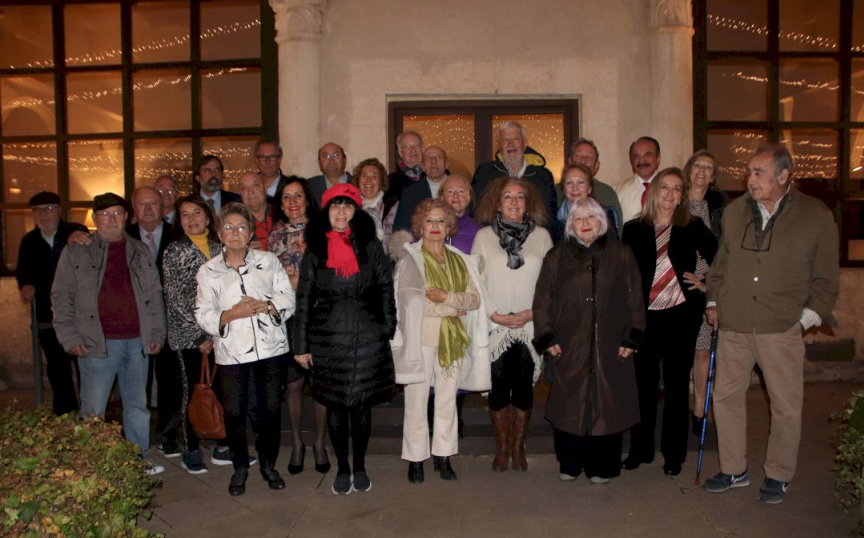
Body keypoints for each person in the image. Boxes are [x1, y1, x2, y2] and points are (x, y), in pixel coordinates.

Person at [703, 144, 839, 505]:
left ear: (783, 175)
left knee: (785, 405)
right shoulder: (735, 212)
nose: (750, 179)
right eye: (749, 172)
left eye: (758, 172)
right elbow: (720, 266)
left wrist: (803, 320)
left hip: (780, 328)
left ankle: (778, 474)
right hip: (734, 325)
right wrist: (714, 301)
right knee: (725, 398)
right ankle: (733, 469)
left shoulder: (815, 215)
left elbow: (826, 279)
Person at [51, 192, 166, 475]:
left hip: (137, 342)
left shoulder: (140, 250)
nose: (111, 219)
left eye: (117, 213)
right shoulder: (77, 250)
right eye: (104, 214)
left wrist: (156, 333)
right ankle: (92, 467)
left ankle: (137, 460)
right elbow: (61, 296)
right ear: (94, 218)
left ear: (126, 217)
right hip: (96, 344)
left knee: (137, 407)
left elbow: (154, 294)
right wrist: (70, 338)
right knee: (94, 410)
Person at [292, 183, 396, 495]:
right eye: (335, 205)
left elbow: (385, 287)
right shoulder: (315, 251)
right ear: (325, 211)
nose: (341, 212)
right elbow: (303, 299)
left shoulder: (371, 245)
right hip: (329, 338)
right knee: (336, 406)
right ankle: (342, 468)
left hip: (367, 337)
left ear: (356, 211)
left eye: (347, 205)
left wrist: (387, 327)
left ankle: (360, 466)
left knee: (361, 407)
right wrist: (301, 346)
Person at [533, 197, 645, 483]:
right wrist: (547, 336)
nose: (585, 223)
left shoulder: (621, 253)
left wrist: (631, 336)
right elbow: (543, 300)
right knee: (570, 404)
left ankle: (602, 466)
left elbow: (634, 297)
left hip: (611, 343)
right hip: (570, 343)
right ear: (570, 224)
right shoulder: (556, 256)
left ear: (602, 221)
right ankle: (570, 463)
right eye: (578, 218)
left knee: (607, 406)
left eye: (591, 217)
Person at [621, 167, 717, 476]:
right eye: (665, 186)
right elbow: (624, 275)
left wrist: (706, 284)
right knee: (642, 387)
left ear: (682, 196)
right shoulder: (633, 229)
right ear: (654, 191)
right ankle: (641, 449)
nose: (670, 193)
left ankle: (674, 455)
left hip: (681, 317)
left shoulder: (692, 225)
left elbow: (722, 258)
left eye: (677, 188)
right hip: (644, 318)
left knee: (676, 389)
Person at [195, 203, 295, 496]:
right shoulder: (208, 271)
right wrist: (231, 314)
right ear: (219, 234)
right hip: (231, 353)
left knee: (270, 411)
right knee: (234, 413)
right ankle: (240, 467)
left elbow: (287, 296)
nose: (235, 232)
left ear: (251, 232)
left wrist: (267, 306)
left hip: (270, 350)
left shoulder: (268, 260)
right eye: (228, 227)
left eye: (241, 227)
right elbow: (202, 313)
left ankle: (268, 464)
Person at [391, 199, 490, 483]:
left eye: (440, 221)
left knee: (447, 401)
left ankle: (443, 456)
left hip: (452, 339)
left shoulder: (460, 259)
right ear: (420, 226)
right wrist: (452, 308)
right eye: (429, 220)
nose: (435, 226)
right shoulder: (410, 260)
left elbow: (474, 299)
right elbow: (411, 304)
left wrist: (446, 297)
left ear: (449, 227)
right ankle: (415, 459)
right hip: (420, 339)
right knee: (416, 401)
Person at [471, 176, 553, 472]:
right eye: (508, 196)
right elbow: (476, 281)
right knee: (497, 389)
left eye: (520, 196)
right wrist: (494, 314)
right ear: (497, 203)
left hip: (529, 325)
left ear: (528, 204)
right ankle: (502, 448)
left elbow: (551, 283)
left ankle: (518, 448)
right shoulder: (483, 237)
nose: (514, 202)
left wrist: (533, 313)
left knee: (523, 389)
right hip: (495, 326)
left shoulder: (542, 236)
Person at [162, 195, 239, 474]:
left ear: (208, 217)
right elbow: (176, 299)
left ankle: (223, 447)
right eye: (184, 214)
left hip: (222, 333)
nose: (191, 219)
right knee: (193, 394)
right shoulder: (174, 251)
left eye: (197, 212)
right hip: (190, 338)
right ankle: (191, 449)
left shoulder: (222, 247)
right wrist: (200, 337)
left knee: (221, 392)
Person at [267, 175, 332, 476]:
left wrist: (298, 280)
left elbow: (330, 273)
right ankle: (296, 443)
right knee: (292, 384)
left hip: (319, 314)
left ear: (307, 199)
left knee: (320, 384)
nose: (293, 202)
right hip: (288, 317)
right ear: (280, 204)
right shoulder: (274, 235)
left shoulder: (324, 230)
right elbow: (270, 279)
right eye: (286, 197)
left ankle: (319, 443)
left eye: (298, 196)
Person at [16, 191, 87, 416]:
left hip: (80, 312)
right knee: (57, 367)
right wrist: (24, 285)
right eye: (38, 210)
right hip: (48, 315)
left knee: (86, 364)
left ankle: (91, 415)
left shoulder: (75, 231)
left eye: (48, 209)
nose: (43, 214)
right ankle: (65, 415)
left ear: (58, 210)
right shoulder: (29, 241)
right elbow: (22, 272)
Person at [126, 186, 181, 457]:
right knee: (138, 384)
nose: (148, 209)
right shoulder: (123, 236)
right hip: (135, 322)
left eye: (153, 203)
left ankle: (167, 434)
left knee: (170, 382)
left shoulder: (177, 234)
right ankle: (137, 438)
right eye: (142, 204)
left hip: (172, 321)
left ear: (163, 207)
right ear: (133, 208)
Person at [682, 150, 727, 435]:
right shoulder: (676, 200)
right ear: (689, 170)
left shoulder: (719, 208)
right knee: (680, 353)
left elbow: (724, 250)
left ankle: (700, 411)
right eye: (697, 165)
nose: (702, 171)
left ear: (713, 177)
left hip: (708, 286)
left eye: (708, 167)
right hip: (680, 285)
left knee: (702, 351)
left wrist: (709, 284)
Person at [471, 121, 558, 234]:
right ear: (499, 146)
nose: (510, 144)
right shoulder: (485, 173)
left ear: (524, 143)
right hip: (493, 238)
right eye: (505, 140)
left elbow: (550, 216)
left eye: (515, 139)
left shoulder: (543, 176)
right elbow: (475, 212)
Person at [562, 138, 623, 221]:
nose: (583, 160)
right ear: (570, 161)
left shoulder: (607, 193)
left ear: (597, 166)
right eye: (578, 156)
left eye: (589, 157)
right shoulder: (555, 191)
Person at [557, 163, 621, 238]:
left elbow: (613, 243)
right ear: (564, 189)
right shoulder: (554, 218)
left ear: (590, 188)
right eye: (569, 183)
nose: (575, 188)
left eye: (580, 182)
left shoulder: (605, 213)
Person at [394, 146, 449, 232]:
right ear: (422, 166)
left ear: (446, 164)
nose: (433, 161)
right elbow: (400, 228)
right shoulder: (410, 192)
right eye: (429, 158)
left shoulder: (458, 190)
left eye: (438, 157)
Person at [352, 157, 399, 254]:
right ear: (358, 180)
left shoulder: (393, 206)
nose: (369, 180)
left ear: (381, 181)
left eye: (374, 176)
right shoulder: (349, 207)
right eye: (364, 176)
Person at [615, 136, 662, 223]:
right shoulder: (616, 190)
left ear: (658, 159)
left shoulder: (673, 189)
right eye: (636, 156)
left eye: (647, 155)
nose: (641, 161)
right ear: (631, 161)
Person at [440, 175, 481, 254]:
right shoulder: (429, 227)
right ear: (442, 197)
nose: (455, 196)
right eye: (450, 191)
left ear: (468, 197)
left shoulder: (479, 232)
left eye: (461, 191)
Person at [386, 130, 426, 202]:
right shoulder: (390, 182)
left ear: (423, 149)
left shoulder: (434, 175)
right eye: (407, 147)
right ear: (400, 152)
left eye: (416, 146)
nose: (413, 150)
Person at [238, 172, 274, 250]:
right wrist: (242, 251)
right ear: (240, 193)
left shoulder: (282, 214)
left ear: (265, 188)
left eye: (255, 185)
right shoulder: (235, 221)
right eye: (244, 188)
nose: (250, 192)